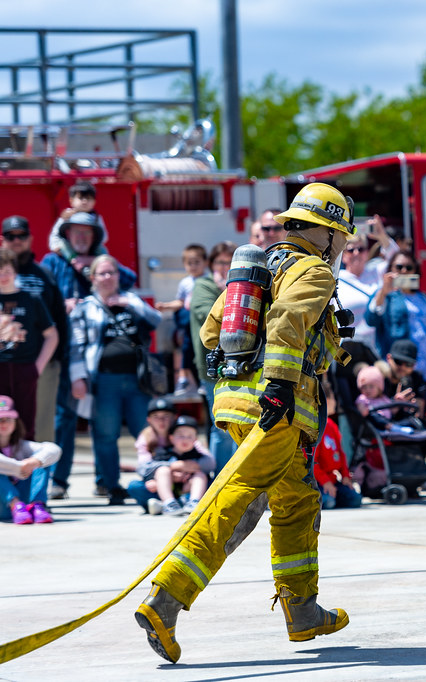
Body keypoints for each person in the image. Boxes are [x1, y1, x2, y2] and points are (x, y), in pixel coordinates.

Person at [136, 183, 356, 663]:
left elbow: (212, 330)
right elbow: (286, 323)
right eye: (342, 236)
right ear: (327, 232)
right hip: (278, 409)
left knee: (297, 500)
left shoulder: (260, 269)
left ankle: (302, 609)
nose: (342, 247)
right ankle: (165, 600)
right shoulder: (313, 271)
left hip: (238, 403)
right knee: (240, 502)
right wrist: (277, 383)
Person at [69, 255, 161, 505]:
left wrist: (130, 303)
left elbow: (156, 320)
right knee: (105, 435)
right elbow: (76, 345)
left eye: (112, 272)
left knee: (146, 432)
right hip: (104, 381)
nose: (108, 277)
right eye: (102, 273)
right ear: (93, 278)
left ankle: (154, 481)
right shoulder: (85, 307)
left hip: (137, 380)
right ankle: (111, 486)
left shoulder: (131, 300)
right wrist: (77, 378)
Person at [0, 216, 67, 448]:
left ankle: (37, 478)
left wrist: (48, 362)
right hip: (3, 364)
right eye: (11, 236)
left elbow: (57, 320)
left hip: (36, 363)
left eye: (22, 236)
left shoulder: (44, 275)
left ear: (30, 239)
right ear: (2, 240)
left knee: (37, 424)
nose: (17, 241)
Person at [189, 241, 239, 474]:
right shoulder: (204, 285)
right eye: (220, 262)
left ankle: (238, 478)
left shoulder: (245, 286)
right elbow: (208, 315)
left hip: (241, 366)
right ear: (211, 264)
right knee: (222, 426)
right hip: (214, 369)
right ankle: (219, 479)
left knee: (240, 426)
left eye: (230, 261)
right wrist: (230, 291)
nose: (225, 266)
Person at [366, 249, 426, 389]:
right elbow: (371, 319)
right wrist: (383, 291)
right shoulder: (386, 296)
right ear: (390, 269)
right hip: (400, 368)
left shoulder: (424, 299)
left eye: (409, 267)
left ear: (416, 271)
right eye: (398, 267)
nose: (403, 271)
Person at [335, 217, 398, 350]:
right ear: (343, 255)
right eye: (351, 250)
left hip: (377, 348)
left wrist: (382, 236)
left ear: (367, 252)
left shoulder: (376, 271)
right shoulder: (336, 279)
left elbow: (398, 260)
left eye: (361, 249)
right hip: (346, 348)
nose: (356, 253)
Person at [0, 395, 60, 524]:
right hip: (2, 505)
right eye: (0, 419)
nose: (4, 423)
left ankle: (37, 505)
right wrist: (19, 468)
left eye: (8, 419)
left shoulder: (22, 446)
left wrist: (33, 462)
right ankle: (15, 505)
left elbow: (53, 449)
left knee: (42, 459)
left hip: (24, 504)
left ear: (16, 422)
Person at [156, 243, 207, 396]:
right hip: (188, 323)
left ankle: (202, 381)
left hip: (203, 322)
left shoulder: (208, 280)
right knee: (187, 350)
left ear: (205, 262)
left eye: (197, 262)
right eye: (189, 263)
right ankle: (185, 378)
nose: (193, 266)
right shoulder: (185, 283)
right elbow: (180, 302)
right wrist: (166, 306)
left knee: (203, 352)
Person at [138, 415, 214, 517]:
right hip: (167, 488)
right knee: (161, 471)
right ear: (171, 438)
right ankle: (169, 503)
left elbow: (211, 464)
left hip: (188, 489)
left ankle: (194, 502)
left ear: (195, 440)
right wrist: (174, 468)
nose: (185, 439)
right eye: (181, 436)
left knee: (200, 475)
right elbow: (148, 469)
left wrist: (194, 468)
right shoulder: (163, 453)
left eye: (189, 436)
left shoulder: (198, 455)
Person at [313, 379, 361, 510]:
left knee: (355, 499)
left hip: (333, 480)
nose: (335, 401)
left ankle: (333, 496)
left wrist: (345, 476)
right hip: (318, 482)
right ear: (325, 401)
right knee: (328, 503)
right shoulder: (315, 427)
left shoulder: (332, 425)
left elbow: (341, 454)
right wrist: (325, 482)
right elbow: (312, 462)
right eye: (333, 397)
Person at [47, 180, 109, 262]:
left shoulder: (96, 217)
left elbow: (104, 237)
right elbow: (55, 234)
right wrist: (55, 246)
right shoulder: (67, 216)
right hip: (70, 250)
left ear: (94, 202)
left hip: (90, 250)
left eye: (88, 198)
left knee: (103, 251)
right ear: (71, 201)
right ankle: (75, 261)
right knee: (63, 244)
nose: (84, 201)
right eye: (80, 198)